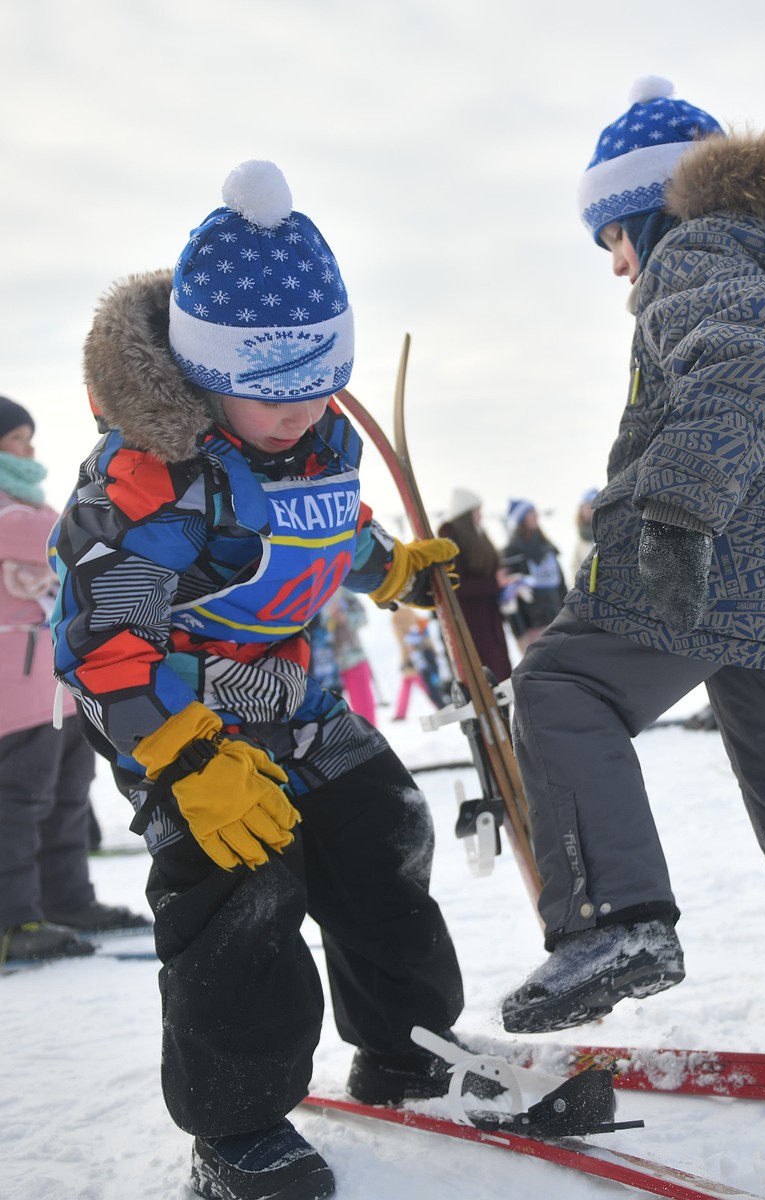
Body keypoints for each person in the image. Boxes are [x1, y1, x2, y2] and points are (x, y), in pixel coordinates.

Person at [50, 161, 468, 1200]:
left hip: (296, 701)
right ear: (200, 371)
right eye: (267, 393)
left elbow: (318, 524)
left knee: (384, 836)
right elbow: (101, 640)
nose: (297, 412)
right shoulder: (148, 479)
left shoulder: (315, 436)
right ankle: (236, 1129)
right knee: (239, 886)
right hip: (182, 719)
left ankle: (407, 1050)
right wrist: (184, 758)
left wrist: (390, 570)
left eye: (317, 383)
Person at [500, 77, 765, 1058]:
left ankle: (613, 922)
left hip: (720, 557)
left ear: (651, 209)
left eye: (613, 238)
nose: (618, 268)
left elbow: (743, 371)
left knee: (562, 683)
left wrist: (674, 513)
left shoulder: (702, 251)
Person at [0, 394, 150, 964]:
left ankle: (64, 899)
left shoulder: (22, 506)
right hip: (13, 693)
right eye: (18, 439)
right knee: (17, 802)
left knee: (66, 797)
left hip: (55, 687)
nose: (30, 450)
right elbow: (64, 534)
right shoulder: (14, 515)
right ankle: (11, 918)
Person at [437, 488, 514, 681]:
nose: (480, 515)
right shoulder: (451, 538)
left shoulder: (476, 534)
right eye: (477, 511)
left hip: (489, 618)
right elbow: (455, 586)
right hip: (472, 624)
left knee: (501, 676)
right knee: (488, 678)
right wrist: (493, 583)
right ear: (466, 514)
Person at [502, 498, 568, 652]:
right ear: (521, 519)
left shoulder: (547, 547)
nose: (535, 516)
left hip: (557, 614)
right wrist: (520, 632)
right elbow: (511, 596)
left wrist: (569, 613)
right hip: (532, 625)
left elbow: (561, 584)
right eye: (530, 513)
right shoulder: (511, 552)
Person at [328, 589, 376, 725]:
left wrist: (345, 617)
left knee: (365, 713)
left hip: (353, 659)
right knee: (331, 719)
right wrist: (326, 619)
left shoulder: (342, 590)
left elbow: (363, 617)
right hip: (324, 667)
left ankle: (372, 744)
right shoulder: (306, 590)